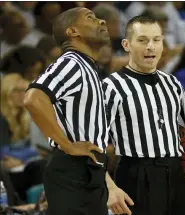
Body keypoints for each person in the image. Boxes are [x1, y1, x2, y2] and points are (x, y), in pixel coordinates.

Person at [102, 15, 185, 215]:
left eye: (156, 40)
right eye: (142, 40)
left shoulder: (171, 83)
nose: (150, 46)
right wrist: (110, 188)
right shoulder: (110, 86)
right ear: (126, 44)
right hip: (135, 173)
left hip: (175, 172)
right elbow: (88, 144)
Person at [23, 7, 133, 215]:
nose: (101, 21)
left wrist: (107, 183)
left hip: (89, 169)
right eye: (91, 18)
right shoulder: (71, 63)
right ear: (72, 32)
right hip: (72, 169)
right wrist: (68, 146)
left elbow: (89, 137)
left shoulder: (88, 68)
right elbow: (33, 99)